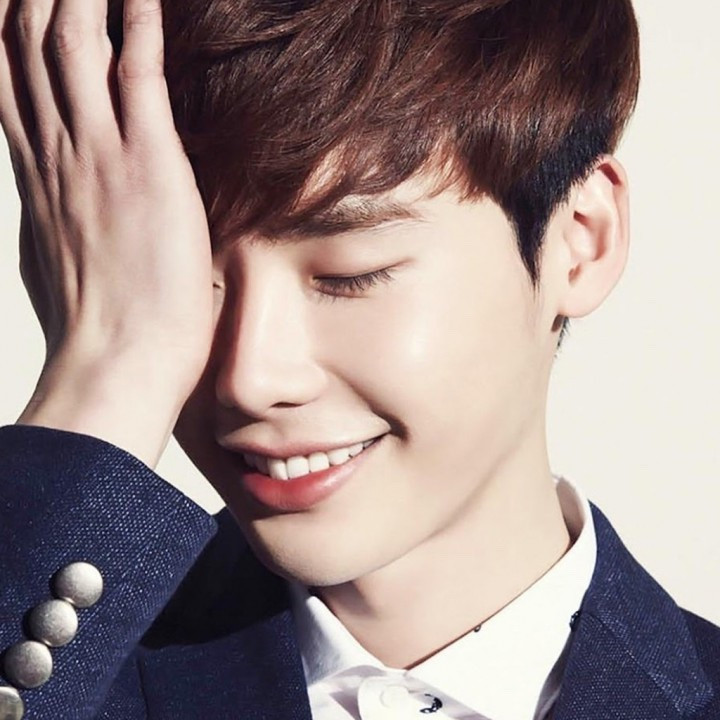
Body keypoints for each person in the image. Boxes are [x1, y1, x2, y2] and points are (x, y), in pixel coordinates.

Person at [0, 0, 717, 718]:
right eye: (184, 282)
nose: (251, 379)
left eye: (349, 276)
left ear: (581, 240)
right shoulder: (61, 677)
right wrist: (103, 373)